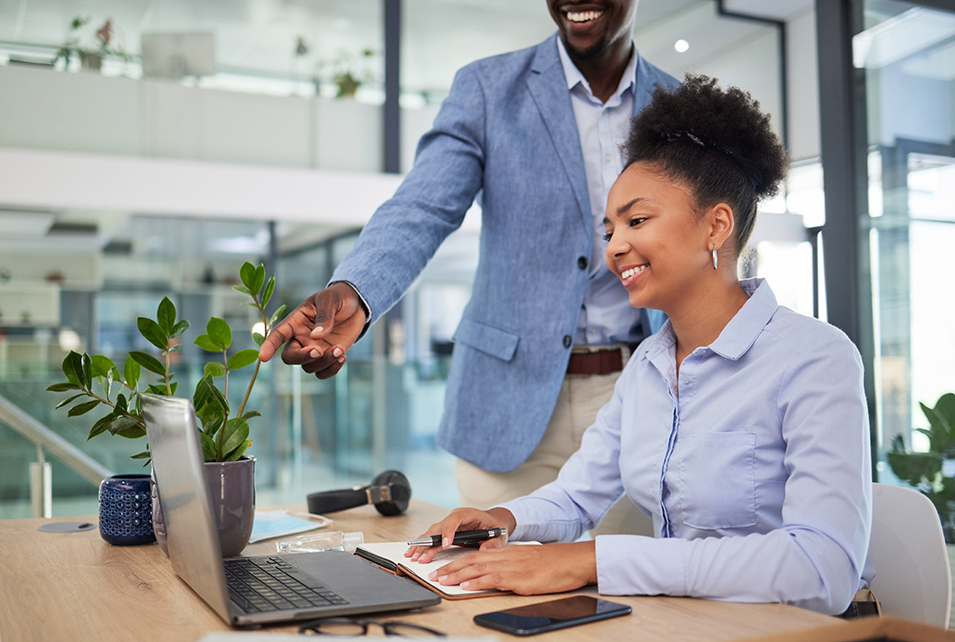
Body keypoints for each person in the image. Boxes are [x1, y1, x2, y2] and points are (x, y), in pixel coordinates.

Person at [404, 75, 873, 616]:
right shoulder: (649, 364)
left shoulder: (814, 358)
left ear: (716, 225)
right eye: (609, 230)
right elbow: (577, 496)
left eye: (637, 220)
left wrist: (593, 560)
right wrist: (504, 520)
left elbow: (824, 568)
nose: (615, 246)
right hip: (686, 622)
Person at [259, 1, 679, 530]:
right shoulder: (487, 89)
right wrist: (356, 290)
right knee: (496, 591)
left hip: (638, 395)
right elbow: (422, 208)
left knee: (633, 595)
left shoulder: (679, 105)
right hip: (506, 409)